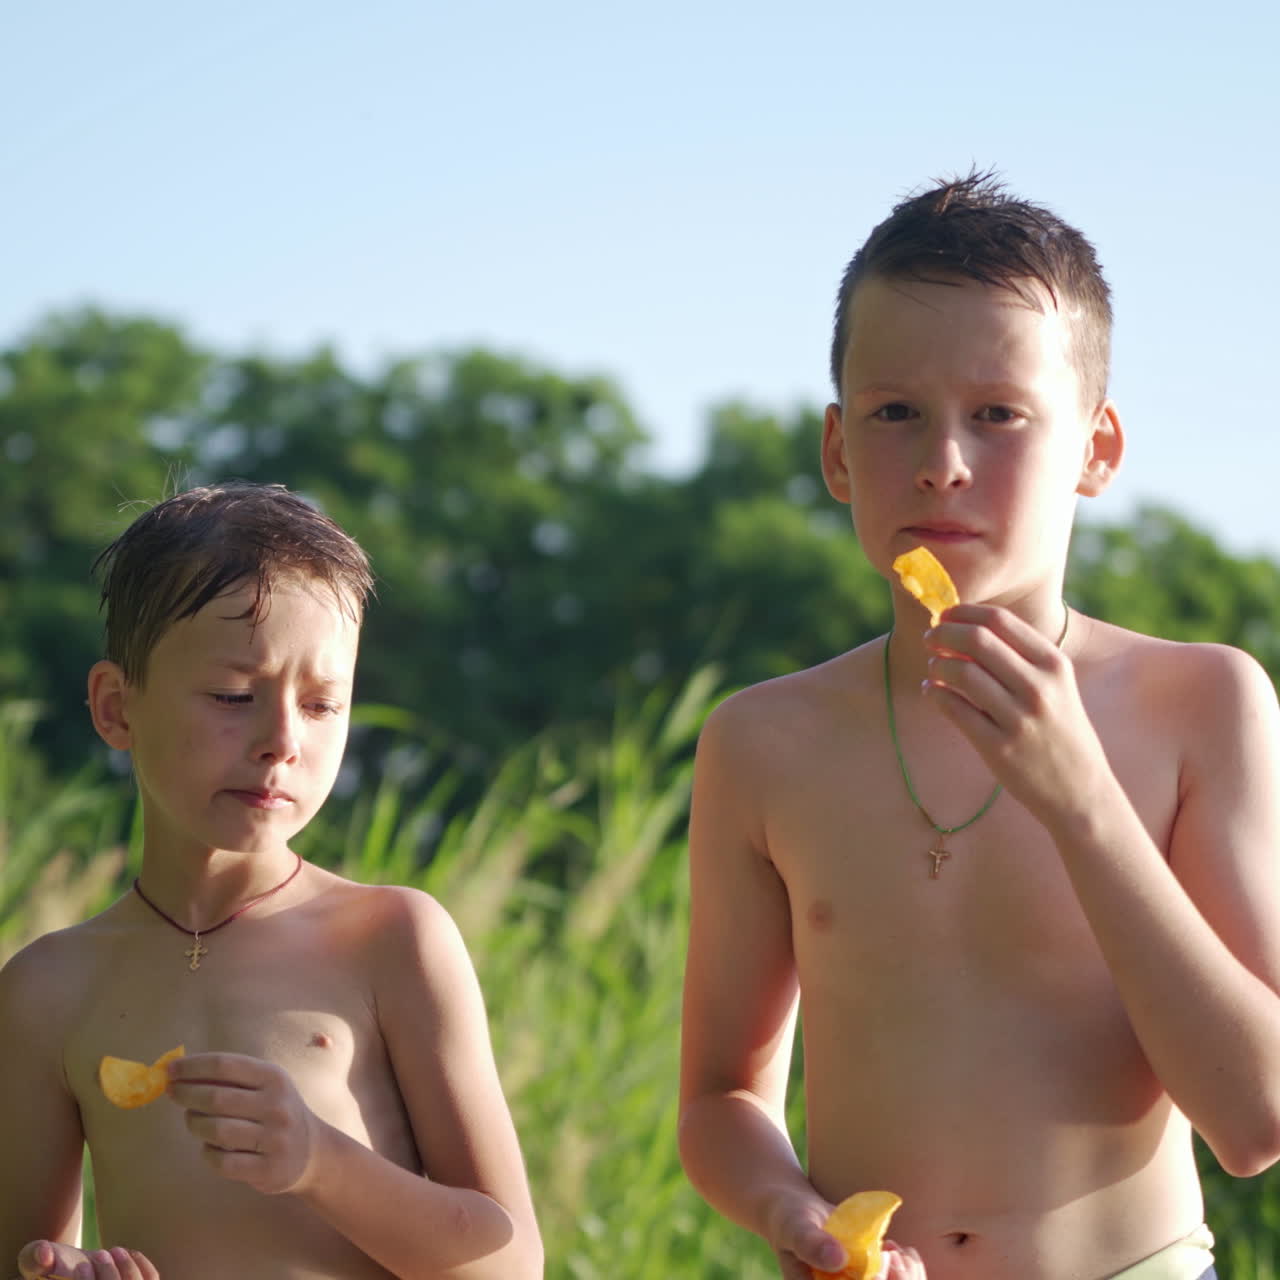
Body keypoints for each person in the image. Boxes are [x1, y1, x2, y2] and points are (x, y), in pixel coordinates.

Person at [678, 172, 1280, 1280]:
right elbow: (721, 1093)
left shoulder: (1202, 702)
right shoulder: (763, 740)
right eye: (892, 411)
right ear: (834, 450)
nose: (939, 461)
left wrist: (1081, 799)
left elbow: (1254, 1118)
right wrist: (791, 1215)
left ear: (1095, 450)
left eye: (998, 414)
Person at [0, 482, 542, 1280]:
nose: (282, 740)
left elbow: (510, 1262)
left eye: (323, 705)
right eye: (233, 696)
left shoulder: (391, 940)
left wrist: (320, 1163)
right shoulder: (48, 987)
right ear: (116, 708)